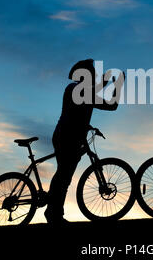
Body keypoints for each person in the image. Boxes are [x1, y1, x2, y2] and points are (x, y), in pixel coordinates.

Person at [45, 59, 124, 225]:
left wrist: (116, 85)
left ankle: (53, 212)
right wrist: (112, 82)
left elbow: (110, 105)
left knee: (64, 175)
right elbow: (94, 98)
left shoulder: (84, 91)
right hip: (66, 136)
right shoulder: (75, 89)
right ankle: (53, 214)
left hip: (72, 137)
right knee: (64, 175)